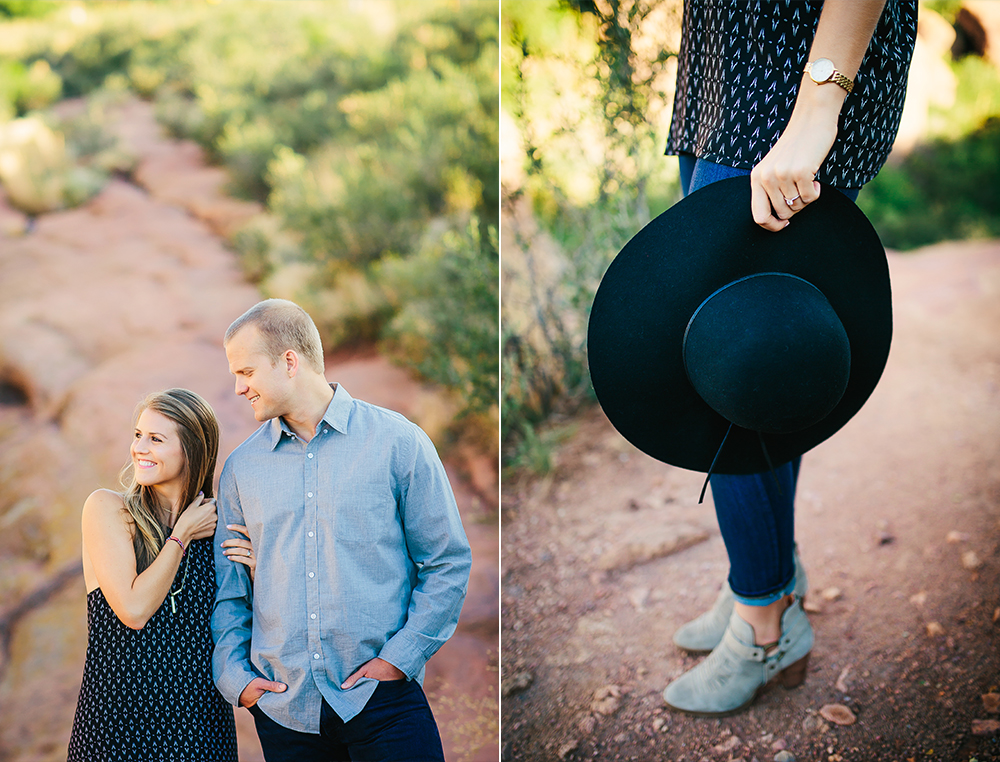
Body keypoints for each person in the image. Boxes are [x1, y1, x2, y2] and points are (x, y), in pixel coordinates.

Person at [659, 0, 918, 715]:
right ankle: (769, 574)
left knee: (732, 370)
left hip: (786, 92)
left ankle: (766, 626)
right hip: (725, 81)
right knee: (757, 363)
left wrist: (816, 109)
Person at [211, 298, 472, 761]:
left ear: (289, 361)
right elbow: (230, 595)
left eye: (246, 372)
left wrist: (400, 658)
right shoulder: (240, 471)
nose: (237, 388)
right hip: (284, 713)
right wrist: (239, 680)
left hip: (385, 703)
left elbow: (446, 561)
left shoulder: (398, 442)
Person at [67, 388, 239, 760]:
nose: (139, 448)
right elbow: (133, 609)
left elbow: (244, 622)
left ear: (191, 449)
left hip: (201, 730)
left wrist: (255, 571)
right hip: (115, 729)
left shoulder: (220, 526)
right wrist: (181, 535)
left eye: (156, 439)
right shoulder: (108, 510)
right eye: (138, 435)